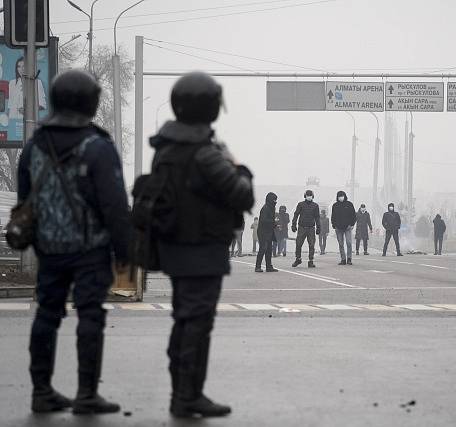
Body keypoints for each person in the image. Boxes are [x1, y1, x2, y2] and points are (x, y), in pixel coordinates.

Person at [17, 70, 130, 414]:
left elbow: (25, 202)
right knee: (90, 316)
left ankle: (41, 391)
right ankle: (86, 394)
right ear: (89, 102)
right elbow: (114, 205)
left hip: (49, 249)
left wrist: (39, 242)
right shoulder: (97, 146)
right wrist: (125, 250)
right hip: (90, 250)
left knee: (46, 315)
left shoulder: (34, 146)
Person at [149, 73, 253, 418]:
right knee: (197, 324)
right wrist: (240, 168)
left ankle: (184, 393)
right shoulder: (205, 153)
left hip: (176, 248)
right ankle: (187, 397)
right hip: (202, 250)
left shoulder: (165, 149)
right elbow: (242, 194)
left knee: (184, 321)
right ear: (208, 107)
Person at [291, 189, 320, 268]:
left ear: (312, 196)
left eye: (310, 195)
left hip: (311, 228)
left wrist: (318, 227)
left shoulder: (315, 206)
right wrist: (293, 225)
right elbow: (296, 214)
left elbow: (317, 217)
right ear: (305, 196)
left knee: (311, 245)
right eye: (307, 195)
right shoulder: (300, 204)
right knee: (298, 244)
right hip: (302, 227)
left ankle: (311, 261)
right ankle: (298, 259)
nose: (309, 197)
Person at [331, 191, 357, 265]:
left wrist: (352, 224)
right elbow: (333, 216)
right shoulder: (335, 205)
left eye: (342, 196)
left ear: (344, 196)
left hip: (347, 227)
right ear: (337, 197)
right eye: (339, 196)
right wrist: (334, 225)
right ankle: (343, 259)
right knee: (341, 244)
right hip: (338, 228)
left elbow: (353, 215)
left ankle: (349, 258)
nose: (341, 197)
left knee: (349, 243)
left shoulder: (349, 204)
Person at [256, 193, 278, 273]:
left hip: (269, 231)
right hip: (262, 232)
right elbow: (263, 220)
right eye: (274, 200)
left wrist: (274, 224)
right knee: (263, 248)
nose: (275, 201)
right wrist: (274, 222)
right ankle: (257, 266)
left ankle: (269, 266)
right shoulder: (265, 208)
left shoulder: (272, 208)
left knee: (269, 249)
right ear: (270, 200)